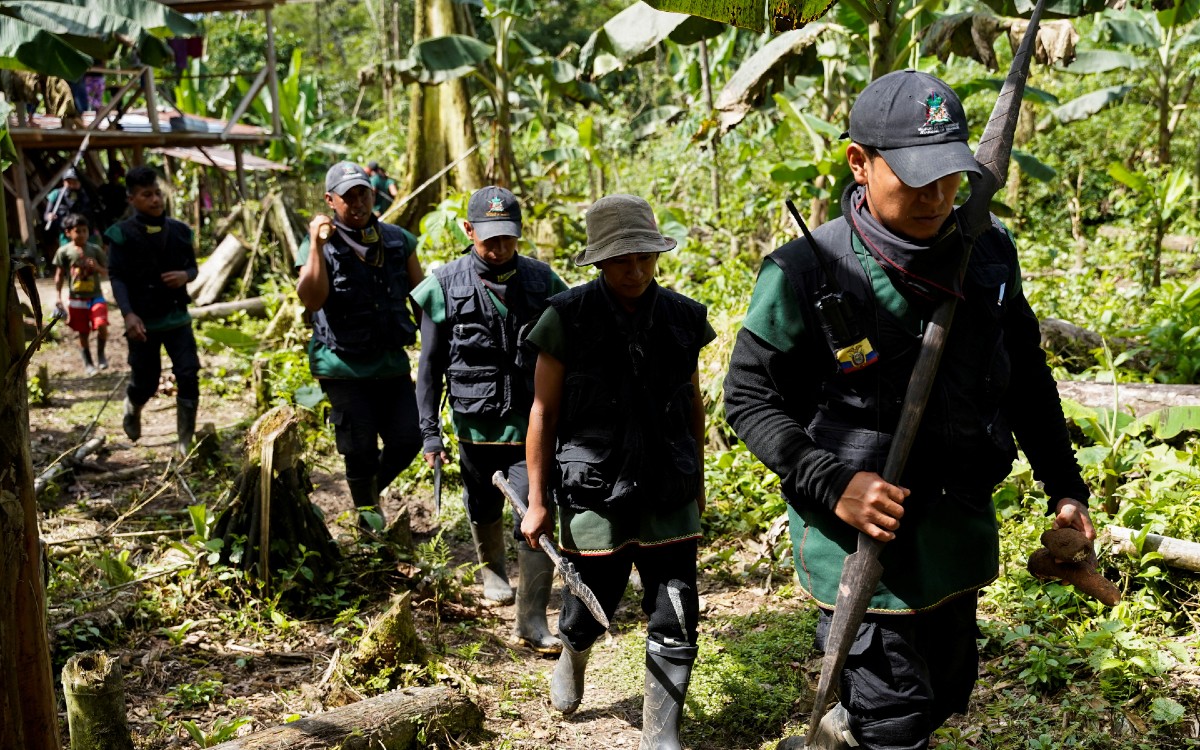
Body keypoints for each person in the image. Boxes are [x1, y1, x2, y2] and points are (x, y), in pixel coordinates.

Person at [723, 70, 1094, 750]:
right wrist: (834, 482)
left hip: (955, 523)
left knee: (947, 690)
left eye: (949, 177)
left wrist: (1066, 487)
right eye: (916, 178)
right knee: (897, 720)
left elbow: (1026, 376)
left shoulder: (988, 251)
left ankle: (845, 732)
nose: (937, 196)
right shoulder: (804, 271)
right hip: (859, 540)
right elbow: (749, 398)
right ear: (859, 162)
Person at [521, 194, 714, 749]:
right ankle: (574, 653)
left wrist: (698, 484)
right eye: (622, 261)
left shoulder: (683, 318)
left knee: (676, 606)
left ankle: (660, 734)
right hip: (595, 489)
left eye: (645, 258)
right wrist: (537, 500)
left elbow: (693, 406)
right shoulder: (565, 318)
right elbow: (543, 413)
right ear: (600, 261)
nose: (636, 272)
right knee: (591, 601)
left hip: (667, 485)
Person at [411, 185, 569, 652]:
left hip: (530, 424)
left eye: (508, 238)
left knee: (534, 508)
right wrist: (430, 434)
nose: (499, 248)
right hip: (473, 423)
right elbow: (428, 366)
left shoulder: (543, 281)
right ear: (468, 230)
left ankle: (532, 620)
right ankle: (492, 570)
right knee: (481, 503)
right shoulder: (443, 285)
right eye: (489, 239)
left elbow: (571, 345)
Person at [296, 161, 425, 531]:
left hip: (390, 363)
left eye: (363, 194)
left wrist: (438, 346)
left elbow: (420, 298)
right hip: (342, 365)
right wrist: (316, 245)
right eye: (348, 196)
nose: (357, 203)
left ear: (373, 194)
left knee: (409, 439)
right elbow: (311, 298)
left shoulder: (398, 240)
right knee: (359, 447)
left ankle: (367, 497)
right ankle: (369, 521)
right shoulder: (318, 244)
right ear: (330, 201)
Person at [106, 165, 202, 457]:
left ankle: (185, 440)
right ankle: (133, 405)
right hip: (143, 322)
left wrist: (185, 276)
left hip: (177, 318)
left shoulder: (180, 231)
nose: (156, 199)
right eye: (147, 195)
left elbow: (193, 268)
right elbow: (116, 276)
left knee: (188, 373)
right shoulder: (121, 235)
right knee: (146, 381)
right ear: (132, 199)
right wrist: (128, 314)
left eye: (158, 193)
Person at [53, 213, 109, 375]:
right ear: (68, 233)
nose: (82, 234)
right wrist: (58, 297)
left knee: (102, 325)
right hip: (76, 299)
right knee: (83, 332)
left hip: (96, 296)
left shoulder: (95, 250)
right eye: (78, 231)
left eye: (85, 231)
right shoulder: (64, 252)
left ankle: (101, 355)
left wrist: (97, 267)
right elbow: (59, 275)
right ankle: (88, 363)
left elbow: (107, 272)